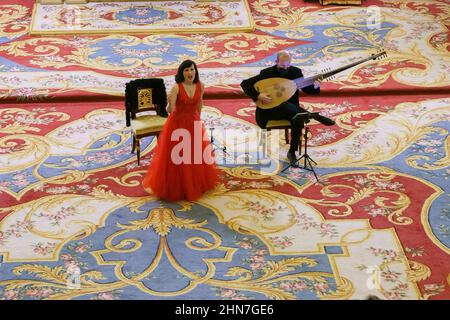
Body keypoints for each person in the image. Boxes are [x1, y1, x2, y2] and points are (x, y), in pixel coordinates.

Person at [240, 51, 335, 166]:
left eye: (287, 65)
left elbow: (307, 90)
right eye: (282, 65)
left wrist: (316, 85)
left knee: (297, 118)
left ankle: (291, 152)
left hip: (291, 111)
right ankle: (314, 116)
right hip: (268, 111)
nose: (285, 67)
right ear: (276, 62)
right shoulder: (266, 73)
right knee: (283, 106)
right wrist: (258, 95)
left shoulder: (295, 72)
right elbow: (245, 84)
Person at [142, 60, 219, 201]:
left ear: (195, 71)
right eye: (186, 70)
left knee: (194, 155)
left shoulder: (201, 85)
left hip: (193, 121)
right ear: (181, 73)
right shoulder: (176, 88)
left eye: (192, 69)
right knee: (176, 157)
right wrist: (170, 102)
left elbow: (200, 103)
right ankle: (178, 187)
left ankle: (194, 184)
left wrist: (198, 122)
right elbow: (169, 110)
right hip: (177, 124)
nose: (190, 73)